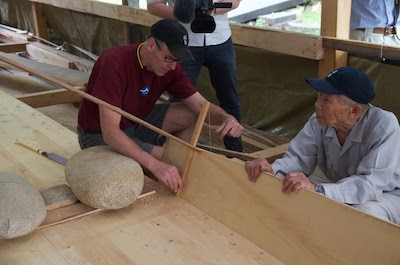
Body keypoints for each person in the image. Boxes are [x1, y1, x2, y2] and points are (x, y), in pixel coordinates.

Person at [77, 19, 243, 193]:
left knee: (191, 116)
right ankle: (168, 170)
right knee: (167, 160)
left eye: (177, 61)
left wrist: (225, 118)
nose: (173, 66)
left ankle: (173, 169)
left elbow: (201, 106)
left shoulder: (171, 67)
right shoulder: (115, 62)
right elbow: (110, 133)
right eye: (168, 58)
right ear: (150, 45)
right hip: (97, 136)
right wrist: (156, 164)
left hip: (135, 123)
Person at [244, 66, 400, 224]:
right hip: (349, 188)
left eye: (326, 100)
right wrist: (272, 170)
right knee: (296, 191)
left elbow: (369, 184)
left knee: (363, 214)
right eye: (319, 96)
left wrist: (319, 189)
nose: (317, 104)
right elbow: (298, 158)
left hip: (390, 193)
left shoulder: (384, 126)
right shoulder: (319, 121)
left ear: (354, 111)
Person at [147, 0, 244, 152]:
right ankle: (170, 153)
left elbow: (235, 1)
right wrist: (183, 14)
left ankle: (236, 153)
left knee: (230, 98)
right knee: (179, 98)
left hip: (220, 39)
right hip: (184, 42)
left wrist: (210, 11)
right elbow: (153, 5)